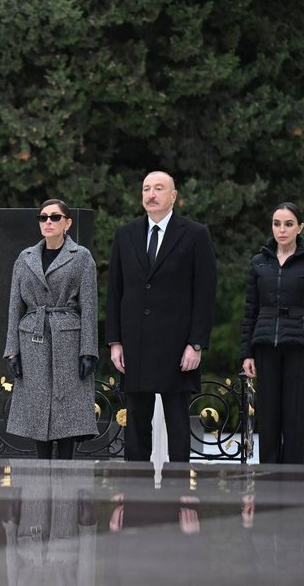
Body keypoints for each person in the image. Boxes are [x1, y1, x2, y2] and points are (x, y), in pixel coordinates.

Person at [105, 171, 217, 462]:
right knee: (136, 427)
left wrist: (196, 344)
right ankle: (136, 486)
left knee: (178, 427)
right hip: (136, 343)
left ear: (173, 196)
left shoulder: (195, 234)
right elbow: (115, 290)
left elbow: (205, 294)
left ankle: (178, 486)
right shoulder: (126, 234)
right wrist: (115, 341)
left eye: (158, 188)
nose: (151, 195)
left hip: (177, 345)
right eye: (146, 189)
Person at [4, 199, 99, 459]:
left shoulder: (81, 257)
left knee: (67, 407)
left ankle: (65, 467)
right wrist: (12, 350)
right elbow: (15, 306)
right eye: (43, 217)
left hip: (68, 337)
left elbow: (89, 307)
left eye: (55, 217)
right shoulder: (25, 258)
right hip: (32, 338)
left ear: (67, 223)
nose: (48, 222)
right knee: (37, 405)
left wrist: (88, 351)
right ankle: (41, 467)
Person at [240, 202, 304, 464]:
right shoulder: (259, 263)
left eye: (288, 224)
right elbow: (250, 312)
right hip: (265, 345)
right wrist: (246, 353)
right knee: (268, 416)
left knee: (294, 416)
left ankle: (293, 475)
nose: (282, 230)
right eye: (277, 224)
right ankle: (267, 473)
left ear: (300, 227)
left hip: (299, 347)